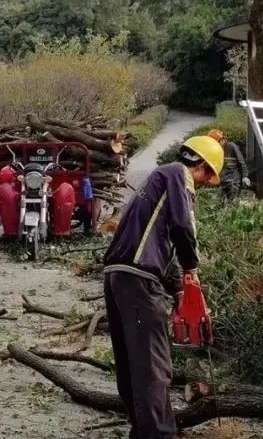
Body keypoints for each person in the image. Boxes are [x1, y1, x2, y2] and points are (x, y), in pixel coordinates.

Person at [102, 136, 223, 439]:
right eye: (207, 179)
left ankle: (141, 431)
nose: (202, 187)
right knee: (154, 365)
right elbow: (183, 228)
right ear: (202, 166)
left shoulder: (156, 184)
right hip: (139, 280)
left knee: (131, 362)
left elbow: (160, 243)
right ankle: (160, 435)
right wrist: (192, 269)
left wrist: (180, 290)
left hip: (117, 276)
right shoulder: (178, 174)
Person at [207, 129, 250, 200]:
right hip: (222, 181)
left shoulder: (232, 147)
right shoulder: (215, 149)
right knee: (219, 203)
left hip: (234, 181)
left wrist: (245, 176)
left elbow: (241, 162)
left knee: (232, 203)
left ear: (221, 140)